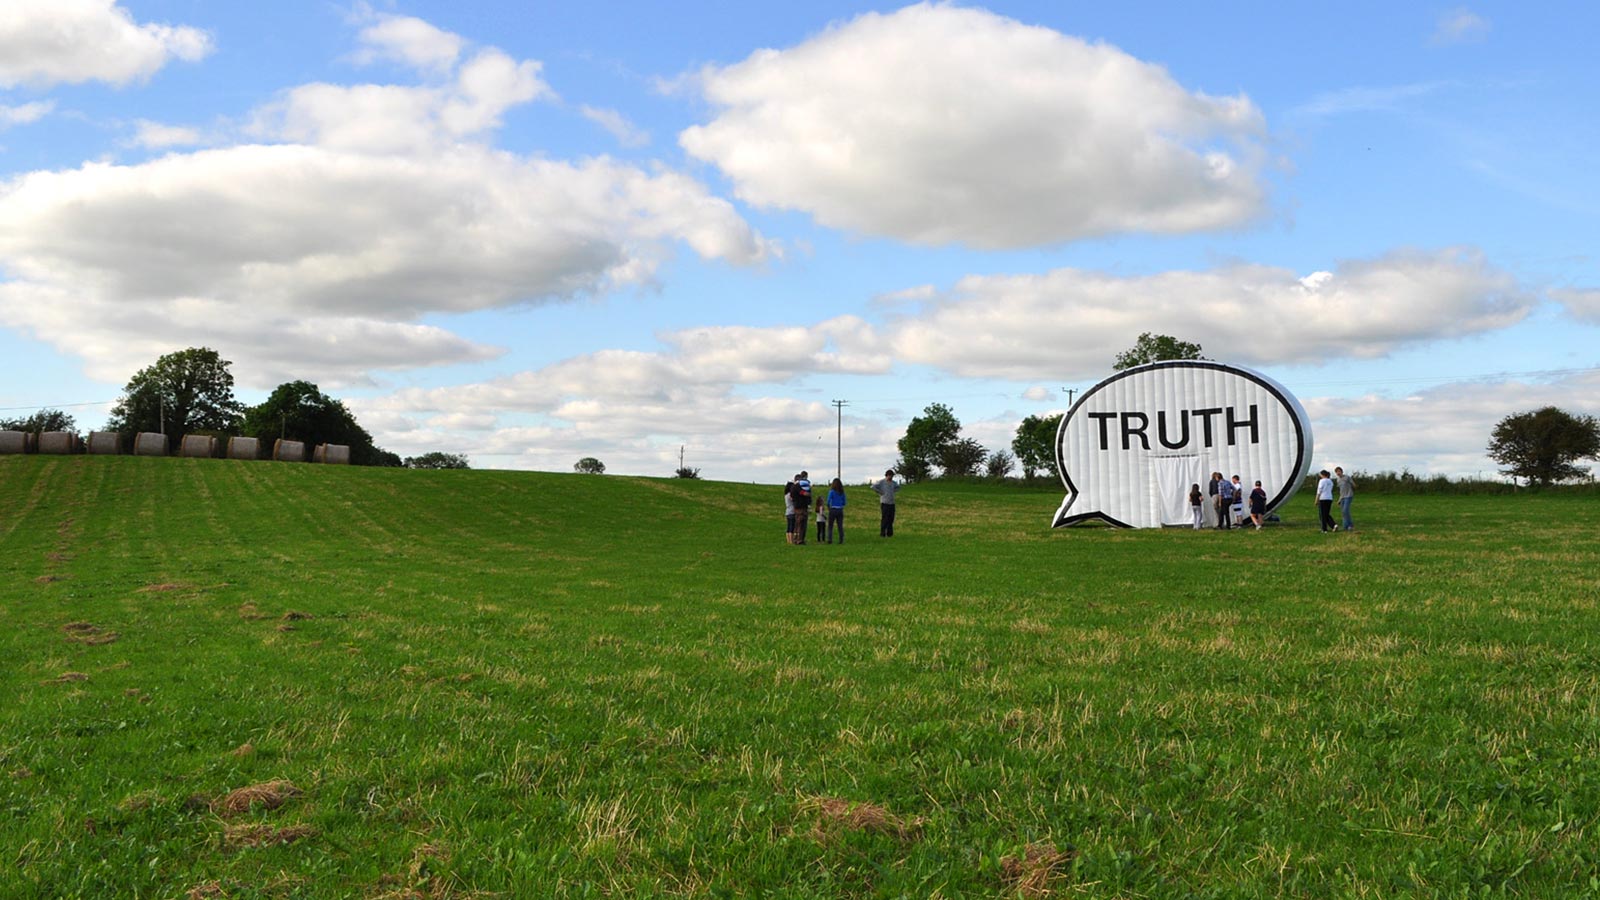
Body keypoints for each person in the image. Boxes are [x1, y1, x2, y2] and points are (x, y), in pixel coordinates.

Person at [872, 469, 900, 537]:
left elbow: (898, 487)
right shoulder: (881, 482)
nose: (891, 477)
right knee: (885, 519)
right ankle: (882, 533)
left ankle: (890, 533)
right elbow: (873, 486)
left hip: (892, 503)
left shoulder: (893, 483)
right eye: (890, 476)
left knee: (891, 519)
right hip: (884, 503)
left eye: (892, 476)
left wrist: (893, 491)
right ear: (887, 475)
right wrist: (880, 492)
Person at [791, 471, 813, 544]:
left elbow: (791, 496)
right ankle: (800, 540)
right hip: (802, 507)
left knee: (797, 524)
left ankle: (795, 539)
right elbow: (805, 494)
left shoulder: (794, 486)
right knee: (802, 524)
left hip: (796, 507)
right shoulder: (802, 486)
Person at [1335, 466, 1356, 532]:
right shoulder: (1338, 480)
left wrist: (1352, 487)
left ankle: (1350, 525)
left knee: (1345, 510)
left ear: (1342, 471)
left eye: (1339, 471)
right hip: (1342, 497)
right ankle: (1345, 526)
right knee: (1343, 512)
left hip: (1348, 496)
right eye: (1336, 472)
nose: (1338, 473)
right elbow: (1340, 490)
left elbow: (1353, 484)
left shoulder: (1347, 477)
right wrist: (1339, 499)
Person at [827, 478, 846, 544]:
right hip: (840, 509)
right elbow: (844, 502)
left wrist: (829, 507)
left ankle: (830, 539)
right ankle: (841, 539)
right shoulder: (842, 492)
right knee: (840, 526)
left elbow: (828, 501)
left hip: (833, 509)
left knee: (830, 525)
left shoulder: (832, 492)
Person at [783, 474, 797, 543]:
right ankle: (791, 540)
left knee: (788, 527)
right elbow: (794, 500)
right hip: (792, 511)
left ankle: (788, 540)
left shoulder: (786, 495)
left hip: (787, 511)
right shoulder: (790, 495)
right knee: (792, 527)